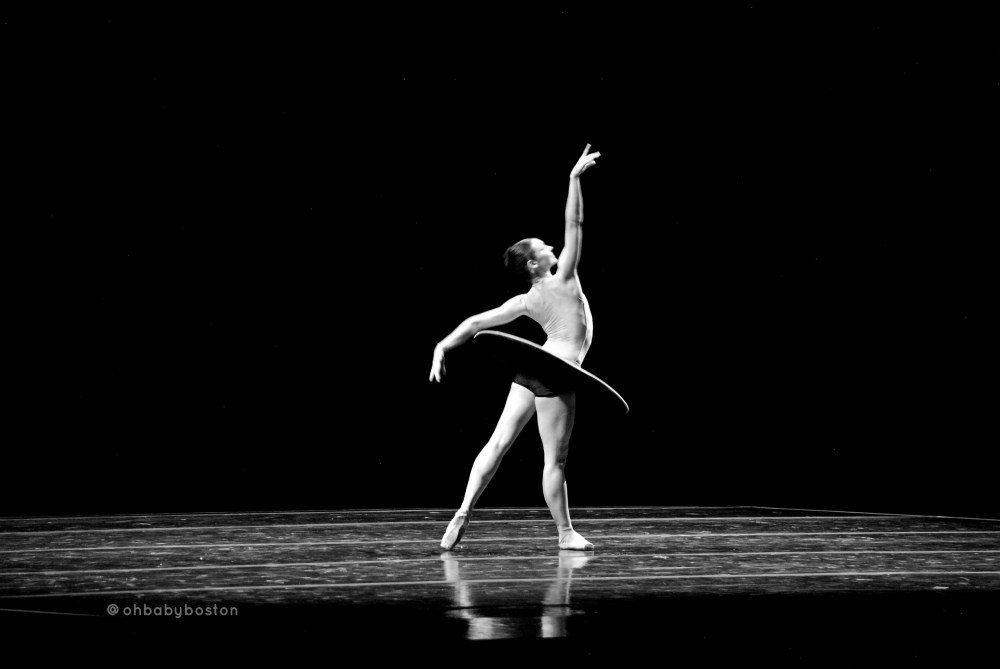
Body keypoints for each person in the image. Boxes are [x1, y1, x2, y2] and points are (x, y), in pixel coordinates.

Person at [429, 144, 602, 551]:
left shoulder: (524, 301)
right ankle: (565, 535)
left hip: (531, 369)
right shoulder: (564, 280)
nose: (551, 248)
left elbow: (475, 323)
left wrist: (441, 345)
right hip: (557, 372)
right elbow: (574, 222)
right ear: (533, 265)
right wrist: (574, 179)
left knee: (498, 442)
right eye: (543, 247)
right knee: (553, 461)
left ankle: (463, 510)